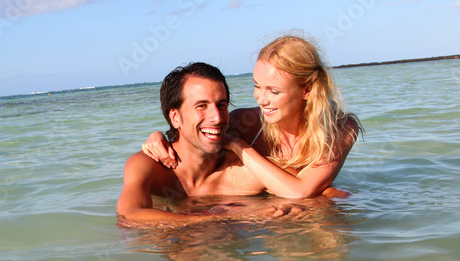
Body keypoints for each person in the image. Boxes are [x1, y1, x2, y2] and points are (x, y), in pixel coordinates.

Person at [141, 34, 362, 199]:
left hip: (298, 206)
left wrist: (237, 145)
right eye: (257, 86)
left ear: (307, 90)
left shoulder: (341, 129)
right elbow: (194, 136)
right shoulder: (245, 122)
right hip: (264, 215)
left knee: (337, 197)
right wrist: (158, 136)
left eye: (274, 91)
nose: (261, 99)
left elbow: (303, 191)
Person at [116, 62, 301, 225]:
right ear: (175, 117)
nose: (217, 117)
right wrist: (231, 217)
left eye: (221, 105)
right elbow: (129, 217)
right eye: (201, 106)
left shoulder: (241, 171)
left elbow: (317, 195)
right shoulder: (150, 166)